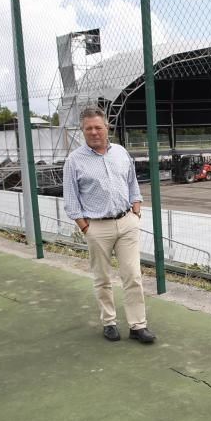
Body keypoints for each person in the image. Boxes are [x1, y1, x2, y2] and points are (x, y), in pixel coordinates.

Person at [63, 106, 156, 344]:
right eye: (88, 128)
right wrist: (86, 228)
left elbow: (132, 184)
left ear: (107, 128)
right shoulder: (74, 161)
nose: (94, 132)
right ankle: (109, 322)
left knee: (133, 275)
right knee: (102, 278)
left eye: (98, 127)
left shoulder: (121, 153)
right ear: (82, 131)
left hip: (126, 223)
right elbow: (72, 200)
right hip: (97, 227)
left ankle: (138, 325)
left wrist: (135, 212)